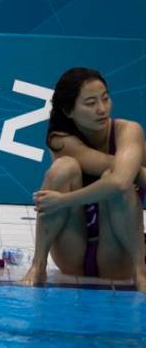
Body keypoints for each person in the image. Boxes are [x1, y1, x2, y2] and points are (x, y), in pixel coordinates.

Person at [21, 67, 146, 291]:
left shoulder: (128, 131)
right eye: (90, 103)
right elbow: (118, 171)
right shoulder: (61, 141)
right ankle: (37, 265)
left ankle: (140, 271)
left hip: (118, 255)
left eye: (105, 99)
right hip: (72, 254)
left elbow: (119, 182)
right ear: (69, 111)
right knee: (63, 168)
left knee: (117, 181)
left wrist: (62, 201)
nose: (102, 109)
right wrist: (133, 168)